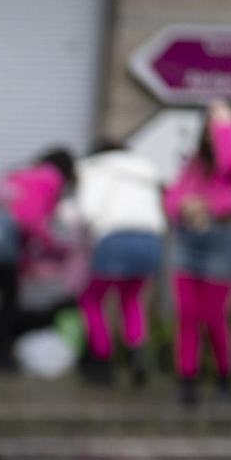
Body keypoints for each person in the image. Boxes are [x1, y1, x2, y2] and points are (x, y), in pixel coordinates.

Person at [164, 98, 231, 405]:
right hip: (189, 239)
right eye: (208, 121)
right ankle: (187, 382)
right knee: (187, 316)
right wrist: (183, 207)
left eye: (217, 121)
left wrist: (225, 128)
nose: (211, 127)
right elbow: (172, 197)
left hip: (224, 239)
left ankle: (223, 379)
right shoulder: (195, 163)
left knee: (214, 317)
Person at [0, 147, 78, 370]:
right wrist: (56, 247)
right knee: (10, 302)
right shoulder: (51, 178)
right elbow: (30, 219)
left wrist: (24, 261)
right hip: (2, 242)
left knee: (8, 300)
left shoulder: (23, 173)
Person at [73, 138, 166, 385]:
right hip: (150, 242)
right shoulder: (144, 173)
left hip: (114, 240)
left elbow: (87, 211)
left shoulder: (96, 170)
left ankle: (103, 362)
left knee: (92, 301)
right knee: (132, 300)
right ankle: (137, 355)